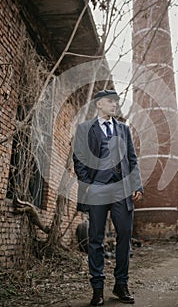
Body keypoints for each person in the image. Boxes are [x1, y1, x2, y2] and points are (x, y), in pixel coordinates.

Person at [73, 89, 143, 306]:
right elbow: (79, 158)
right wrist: (87, 185)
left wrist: (136, 184)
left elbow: (132, 158)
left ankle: (121, 284)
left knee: (124, 236)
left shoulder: (123, 129)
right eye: (110, 101)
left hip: (121, 189)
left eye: (116, 102)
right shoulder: (85, 129)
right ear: (99, 104)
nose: (115, 105)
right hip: (97, 189)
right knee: (95, 239)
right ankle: (97, 289)